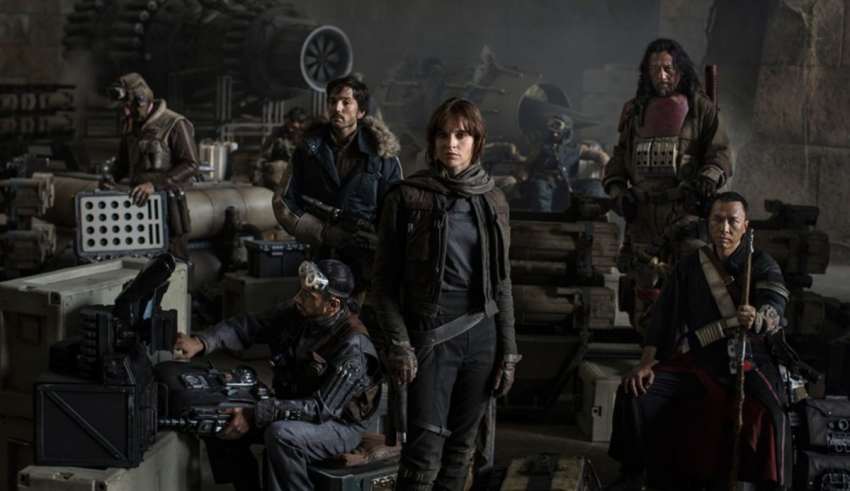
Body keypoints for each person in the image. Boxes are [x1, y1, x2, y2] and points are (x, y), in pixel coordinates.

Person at [370, 97, 521, 490]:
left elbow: (503, 283)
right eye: (443, 134)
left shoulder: (493, 199)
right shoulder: (406, 197)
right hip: (431, 335)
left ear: (477, 142)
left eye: (461, 135)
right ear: (432, 141)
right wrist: (399, 343)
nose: (451, 143)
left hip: (482, 336)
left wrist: (509, 352)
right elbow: (382, 285)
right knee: (422, 456)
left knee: (461, 452)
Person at [605, 192, 791, 491]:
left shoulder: (762, 264)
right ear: (708, 223)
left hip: (749, 361)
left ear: (745, 225)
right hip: (700, 361)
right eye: (718, 220)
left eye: (733, 221)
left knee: (772, 416)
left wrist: (758, 318)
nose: (724, 228)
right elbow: (663, 319)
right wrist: (646, 363)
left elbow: (775, 306)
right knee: (634, 392)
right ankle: (634, 473)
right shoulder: (690, 266)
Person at [173, 259, 382, 491]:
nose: (298, 299)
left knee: (281, 435)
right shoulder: (299, 313)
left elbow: (320, 409)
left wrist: (255, 414)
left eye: (308, 295)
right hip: (293, 403)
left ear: (332, 305)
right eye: (301, 291)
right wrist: (202, 342)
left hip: (338, 425)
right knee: (221, 414)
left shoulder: (353, 346)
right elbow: (250, 325)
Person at [602, 38, 732, 332]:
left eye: (667, 69)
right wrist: (618, 191)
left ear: (679, 70)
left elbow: (721, 152)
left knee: (692, 280)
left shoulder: (700, 108)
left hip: (683, 211)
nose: (661, 76)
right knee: (644, 283)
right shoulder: (635, 110)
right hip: (643, 214)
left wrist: (708, 179)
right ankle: (648, 348)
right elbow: (620, 156)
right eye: (654, 69)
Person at [273, 75, 402, 294]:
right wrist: (321, 231)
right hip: (319, 257)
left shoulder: (382, 155)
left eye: (346, 102)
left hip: (366, 263)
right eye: (332, 102)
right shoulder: (308, 150)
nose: (337, 108)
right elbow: (283, 201)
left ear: (361, 111)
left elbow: (396, 211)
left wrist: (379, 245)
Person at [106, 72, 200, 257]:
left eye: (129, 106)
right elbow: (122, 164)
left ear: (142, 101)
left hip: (169, 212)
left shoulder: (174, 123)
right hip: (139, 210)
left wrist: (154, 185)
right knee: (140, 265)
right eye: (123, 107)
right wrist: (111, 177)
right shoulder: (131, 126)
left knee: (174, 265)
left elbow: (191, 164)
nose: (125, 112)